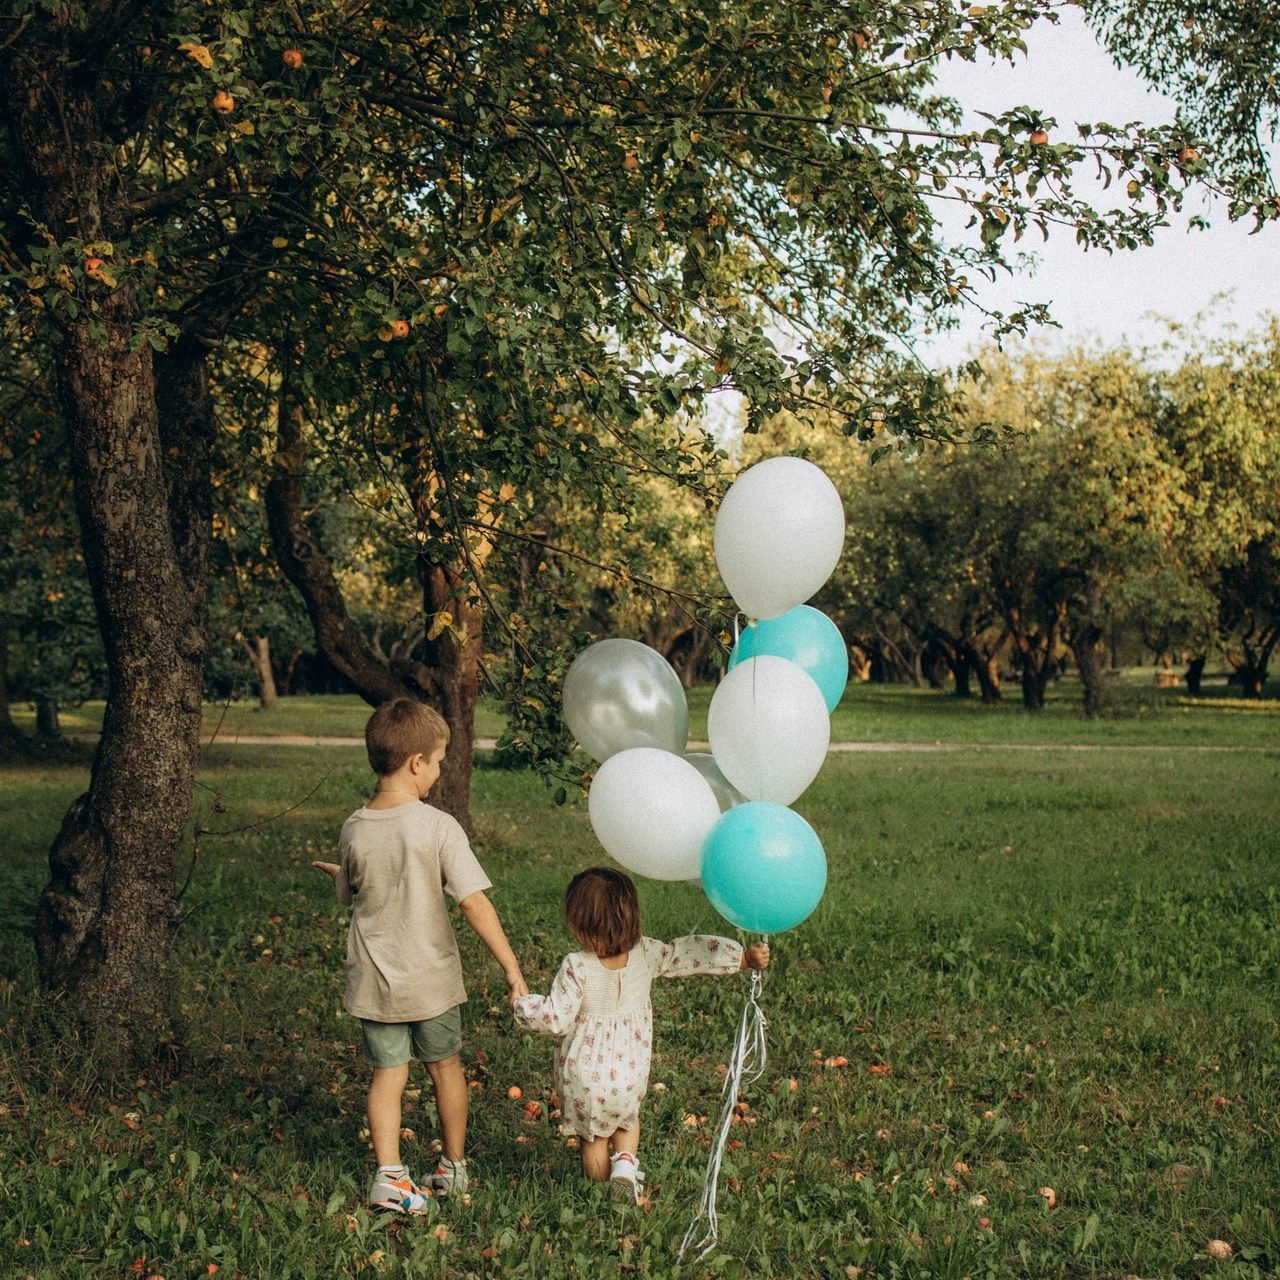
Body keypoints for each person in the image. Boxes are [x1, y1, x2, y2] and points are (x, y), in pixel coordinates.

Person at [313, 696, 528, 1214]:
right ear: (416, 763)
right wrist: (512, 967)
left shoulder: (354, 827)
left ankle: (389, 1177)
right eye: (436, 761)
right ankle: (452, 1167)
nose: (437, 771)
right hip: (430, 980)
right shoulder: (438, 827)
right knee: (445, 1067)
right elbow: (474, 902)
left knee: (389, 1074)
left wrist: (338, 875)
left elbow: (351, 892)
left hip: (375, 982)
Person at [513, 866, 770, 1203]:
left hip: (587, 1078)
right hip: (631, 1070)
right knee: (627, 1121)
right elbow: (685, 954)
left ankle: (599, 1190)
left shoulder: (577, 965)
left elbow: (555, 1018)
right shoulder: (644, 952)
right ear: (632, 915)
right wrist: (742, 958)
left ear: (578, 923)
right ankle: (625, 1167)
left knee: (593, 1138)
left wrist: (522, 1004)